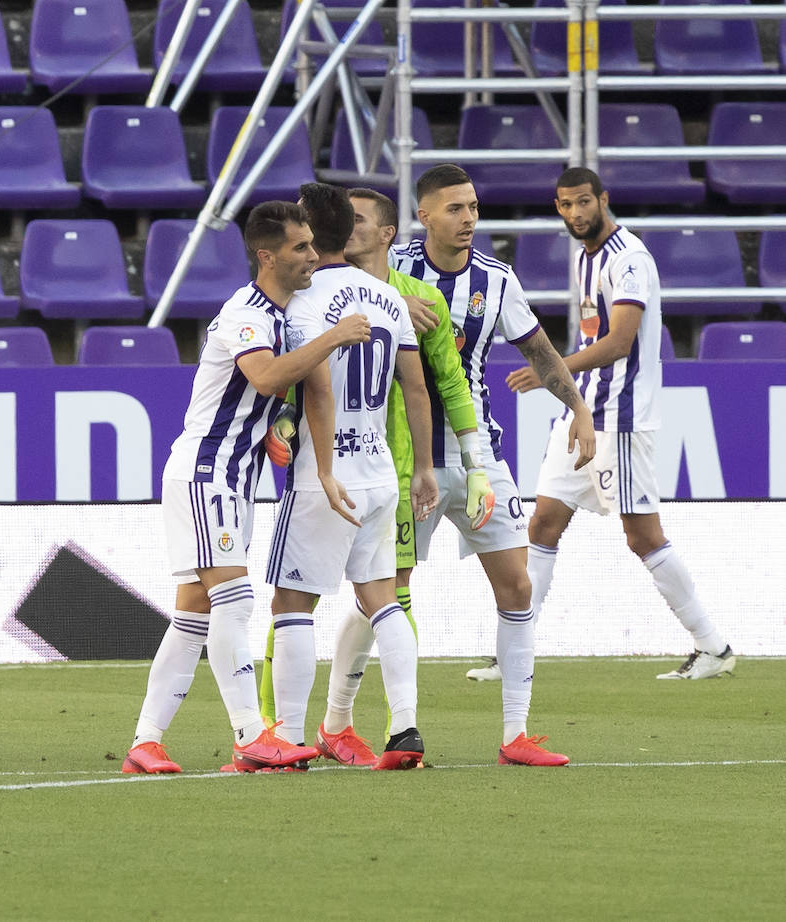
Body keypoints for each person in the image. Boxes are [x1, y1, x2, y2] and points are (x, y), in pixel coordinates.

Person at [121, 200, 372, 775]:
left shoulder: (279, 315)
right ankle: (250, 736)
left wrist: (276, 433)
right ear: (267, 255)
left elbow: (261, 397)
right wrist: (334, 338)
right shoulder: (248, 313)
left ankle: (145, 741)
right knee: (233, 601)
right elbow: (264, 376)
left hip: (231, 477)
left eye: (312, 244)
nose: (312, 255)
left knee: (193, 616)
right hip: (207, 474)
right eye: (300, 247)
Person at [258, 185, 492, 764]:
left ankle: (285, 738)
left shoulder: (303, 300)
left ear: (311, 233)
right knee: (385, 600)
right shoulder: (387, 297)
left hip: (325, 472)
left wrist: (282, 429)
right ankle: (405, 728)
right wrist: (422, 468)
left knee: (291, 603)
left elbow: (296, 382)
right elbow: (417, 387)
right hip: (381, 468)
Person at [390, 163, 596, 766]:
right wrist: (393, 297)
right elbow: (335, 285)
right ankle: (343, 721)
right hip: (410, 455)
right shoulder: (392, 271)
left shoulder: (496, 280)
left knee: (517, 583)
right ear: (424, 215)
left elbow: (540, 350)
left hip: (480, 456)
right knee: (386, 592)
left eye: (474, 207)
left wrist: (579, 407)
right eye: (455, 209)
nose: (469, 219)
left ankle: (515, 735)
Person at [505, 167, 736, 681]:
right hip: (586, 409)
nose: (575, 214)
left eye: (583, 202)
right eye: (564, 205)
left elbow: (619, 342)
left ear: (602, 200)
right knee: (543, 522)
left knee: (643, 537)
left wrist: (550, 370)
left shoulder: (628, 259)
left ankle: (713, 645)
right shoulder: (588, 257)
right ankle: (514, 651)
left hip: (622, 416)